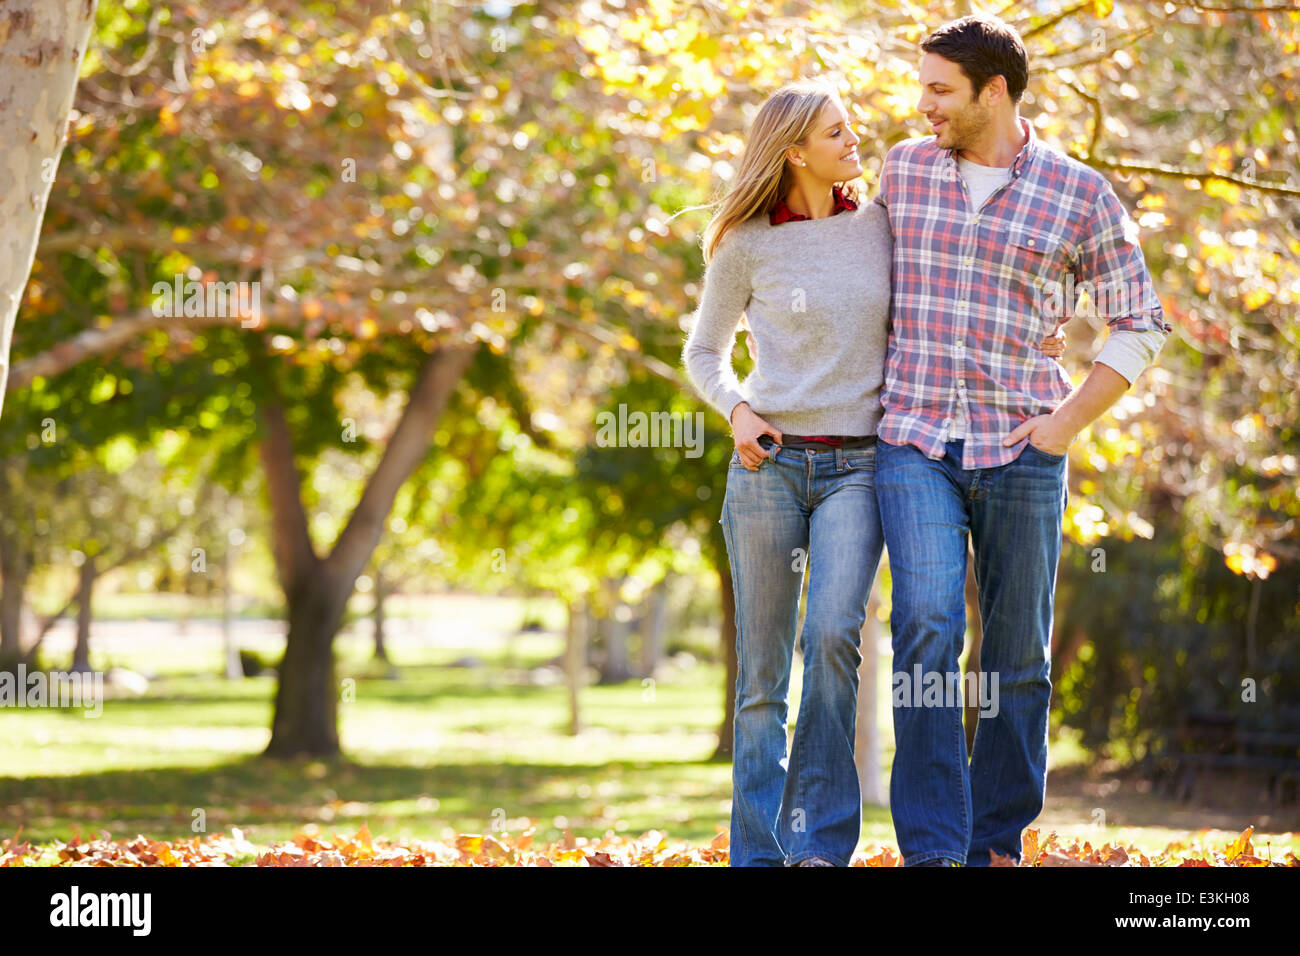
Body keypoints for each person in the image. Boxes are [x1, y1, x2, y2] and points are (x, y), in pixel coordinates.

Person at [681, 77, 1066, 866]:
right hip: (770, 466)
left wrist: (1037, 331)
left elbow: (956, 286)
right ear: (794, 152)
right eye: (836, 133)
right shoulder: (746, 243)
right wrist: (737, 410)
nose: (854, 142)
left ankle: (819, 843)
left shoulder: (879, 222)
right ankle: (758, 854)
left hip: (861, 463)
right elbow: (703, 353)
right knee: (761, 680)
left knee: (830, 636)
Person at [871, 14, 1172, 867]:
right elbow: (847, 268)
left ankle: (992, 844)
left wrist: (1065, 423)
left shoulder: (1080, 194)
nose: (921, 104)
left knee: (1017, 655)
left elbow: (1141, 322)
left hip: (1025, 446)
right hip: (915, 437)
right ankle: (933, 848)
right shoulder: (903, 170)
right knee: (927, 626)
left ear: (992, 91)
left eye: (939, 90)